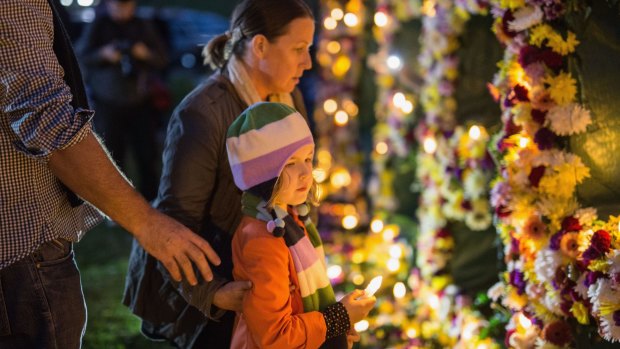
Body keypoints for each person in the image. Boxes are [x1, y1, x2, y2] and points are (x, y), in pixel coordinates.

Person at [0, 1, 220, 348]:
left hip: (137, 103)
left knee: (144, 159)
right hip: (23, 253)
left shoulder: (144, 25)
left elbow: (160, 56)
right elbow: (49, 123)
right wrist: (147, 223)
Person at [123, 0, 317, 347]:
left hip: (263, 271)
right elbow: (176, 222)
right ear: (260, 45)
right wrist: (215, 292)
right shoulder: (203, 114)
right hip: (217, 277)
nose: (308, 62)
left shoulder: (288, 99)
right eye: (299, 49)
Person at [226, 102, 376, 349]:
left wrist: (334, 333)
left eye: (308, 158)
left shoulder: (291, 219)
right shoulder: (263, 240)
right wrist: (337, 319)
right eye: (290, 163)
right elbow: (274, 336)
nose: (306, 172)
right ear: (262, 174)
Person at [77, 0, 168, 200]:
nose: (122, 10)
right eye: (118, 5)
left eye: (127, 5)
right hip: (108, 101)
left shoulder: (142, 25)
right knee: (111, 155)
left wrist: (144, 54)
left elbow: (162, 58)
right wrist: (104, 54)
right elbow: (82, 55)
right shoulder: (99, 25)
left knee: (146, 154)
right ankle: (113, 203)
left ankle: (150, 201)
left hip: (140, 100)